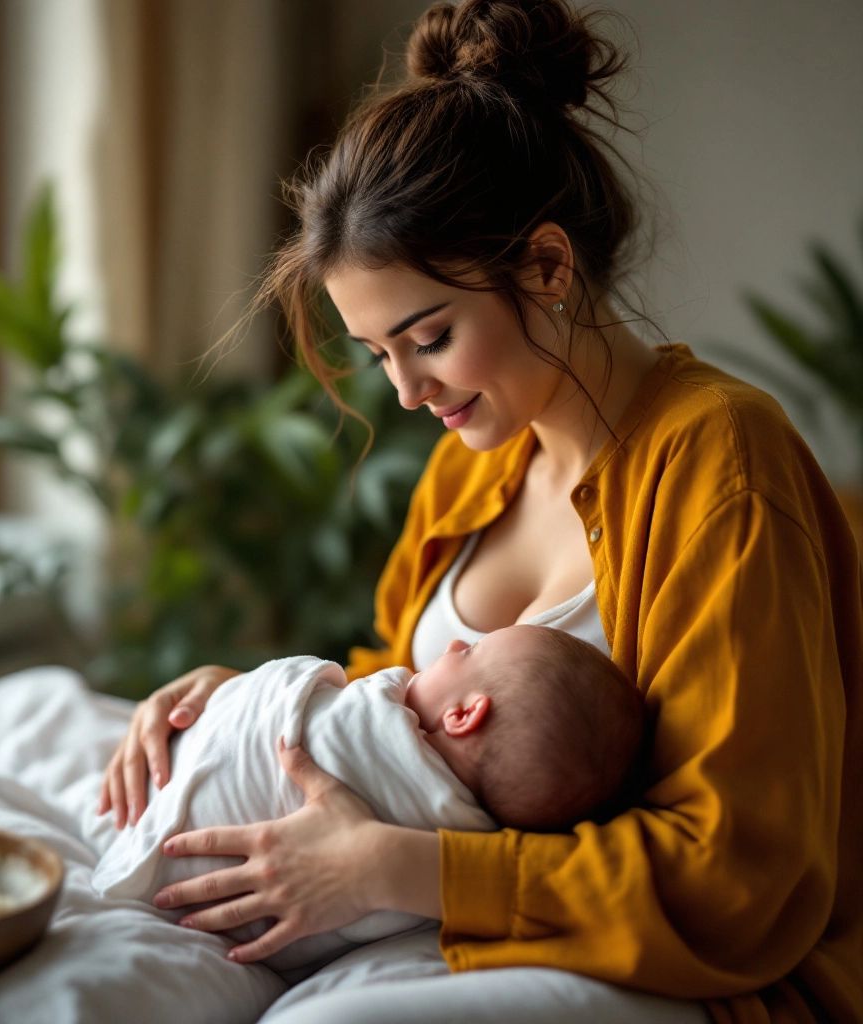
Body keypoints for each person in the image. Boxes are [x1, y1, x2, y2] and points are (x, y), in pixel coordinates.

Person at [96, 1, 863, 1021]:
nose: (408, 392)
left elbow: (734, 873)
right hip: (437, 910)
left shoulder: (722, 464)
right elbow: (409, 707)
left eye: (429, 336)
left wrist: (402, 872)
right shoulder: (472, 463)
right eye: (379, 356)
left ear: (547, 266)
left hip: (688, 964)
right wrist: (243, 708)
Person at [91, 624, 644, 978]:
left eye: (469, 650)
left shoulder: (384, 717)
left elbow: (330, 694)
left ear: (463, 715)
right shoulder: (470, 835)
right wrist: (227, 686)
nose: (451, 643)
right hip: (233, 939)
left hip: (158, 830)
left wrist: (270, 693)